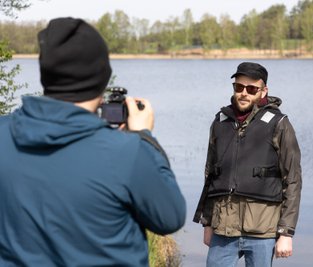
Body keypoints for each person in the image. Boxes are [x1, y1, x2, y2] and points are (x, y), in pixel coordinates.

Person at [0, 17, 186, 267]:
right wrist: (144, 137)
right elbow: (170, 218)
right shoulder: (128, 153)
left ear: (46, 74)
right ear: (102, 79)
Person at [193, 62, 302, 267]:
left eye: (251, 89)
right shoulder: (220, 121)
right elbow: (211, 175)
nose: (244, 93)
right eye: (239, 87)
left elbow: (293, 180)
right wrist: (207, 222)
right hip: (223, 228)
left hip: (262, 231)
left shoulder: (280, 124)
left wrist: (286, 232)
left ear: (263, 91)